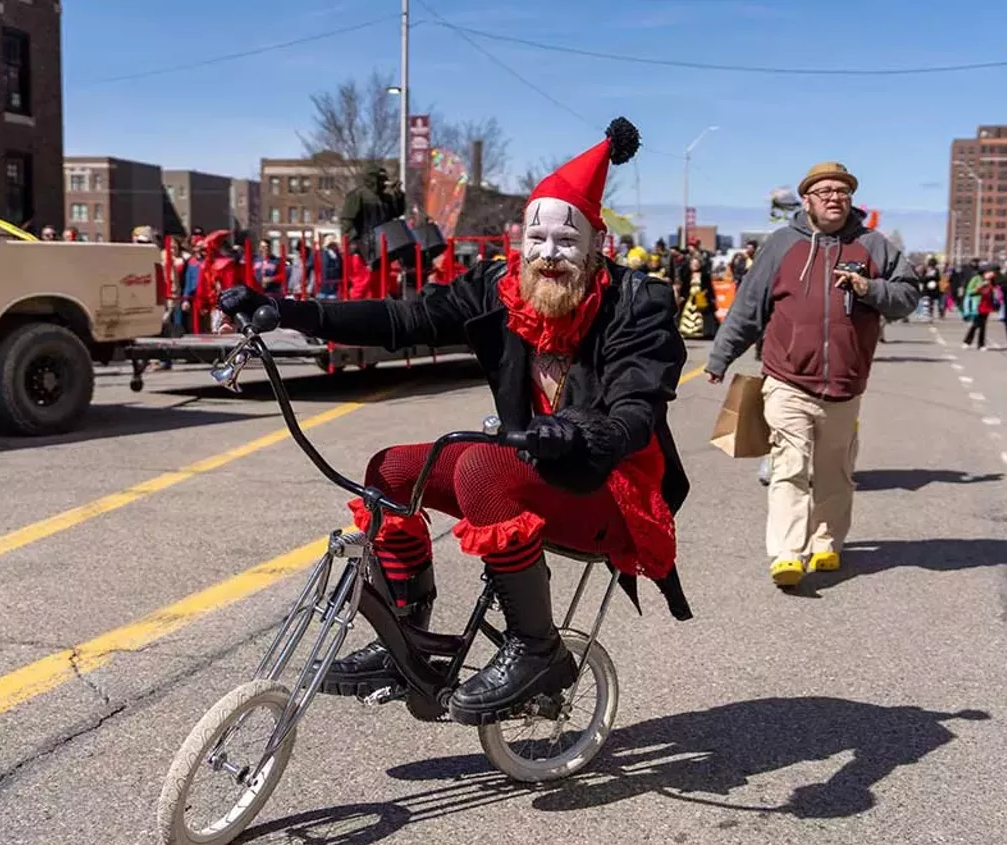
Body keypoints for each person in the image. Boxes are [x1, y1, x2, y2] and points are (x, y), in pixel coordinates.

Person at [219, 118, 692, 722]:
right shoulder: (499, 288)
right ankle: (405, 635)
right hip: (530, 468)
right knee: (390, 471)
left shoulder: (637, 302)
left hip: (608, 488)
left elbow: (637, 404)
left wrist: (581, 430)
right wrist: (289, 311)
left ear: (597, 245)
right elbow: (402, 319)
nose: (548, 256)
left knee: (481, 471)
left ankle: (536, 648)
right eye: (537, 239)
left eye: (566, 242)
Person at [703, 162, 920, 588]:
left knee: (835, 471)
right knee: (789, 465)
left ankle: (826, 542)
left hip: (844, 383)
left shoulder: (874, 247)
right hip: (787, 379)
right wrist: (719, 358)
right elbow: (749, 305)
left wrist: (870, 290)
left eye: (842, 191)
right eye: (824, 191)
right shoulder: (783, 244)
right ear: (807, 200)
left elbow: (908, 295)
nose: (834, 197)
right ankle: (786, 553)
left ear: (850, 199)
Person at [963, 267, 996, 350]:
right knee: (976, 324)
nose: (989, 275)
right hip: (978, 304)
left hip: (987, 305)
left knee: (983, 325)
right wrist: (980, 287)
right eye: (987, 273)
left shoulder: (991, 281)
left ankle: (981, 344)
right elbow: (969, 291)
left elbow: (995, 290)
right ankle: (967, 341)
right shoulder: (976, 279)